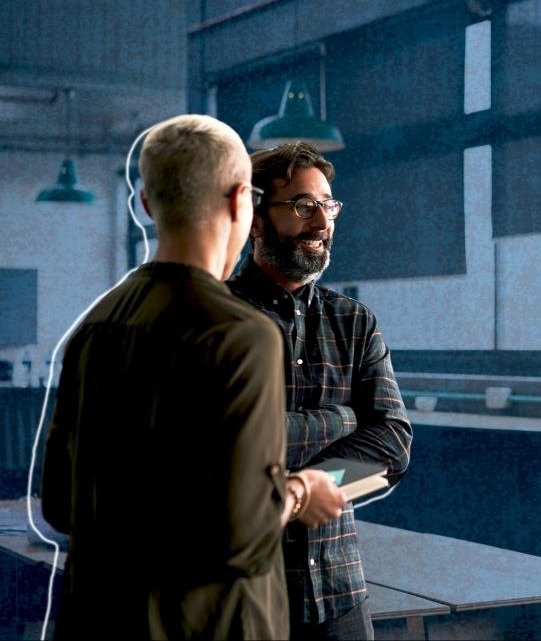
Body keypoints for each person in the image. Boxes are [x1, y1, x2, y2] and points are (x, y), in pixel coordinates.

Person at [40, 114, 347, 640]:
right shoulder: (241, 333)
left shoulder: (96, 327)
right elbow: (243, 534)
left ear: (145, 204)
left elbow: (60, 504)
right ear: (241, 202)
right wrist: (301, 490)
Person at [228, 141, 412, 640]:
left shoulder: (353, 321)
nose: (321, 220)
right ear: (256, 220)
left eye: (328, 205)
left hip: (339, 593)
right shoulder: (213, 318)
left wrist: (310, 486)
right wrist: (343, 419)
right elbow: (219, 449)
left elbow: (393, 446)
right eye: (303, 205)